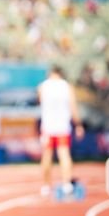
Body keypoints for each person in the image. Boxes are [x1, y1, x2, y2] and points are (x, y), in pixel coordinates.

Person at [38, 66, 84, 197]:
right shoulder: (67, 87)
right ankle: (66, 184)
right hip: (63, 126)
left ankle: (46, 186)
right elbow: (73, 106)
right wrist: (78, 124)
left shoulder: (43, 87)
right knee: (64, 154)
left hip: (47, 127)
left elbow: (40, 102)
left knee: (46, 156)